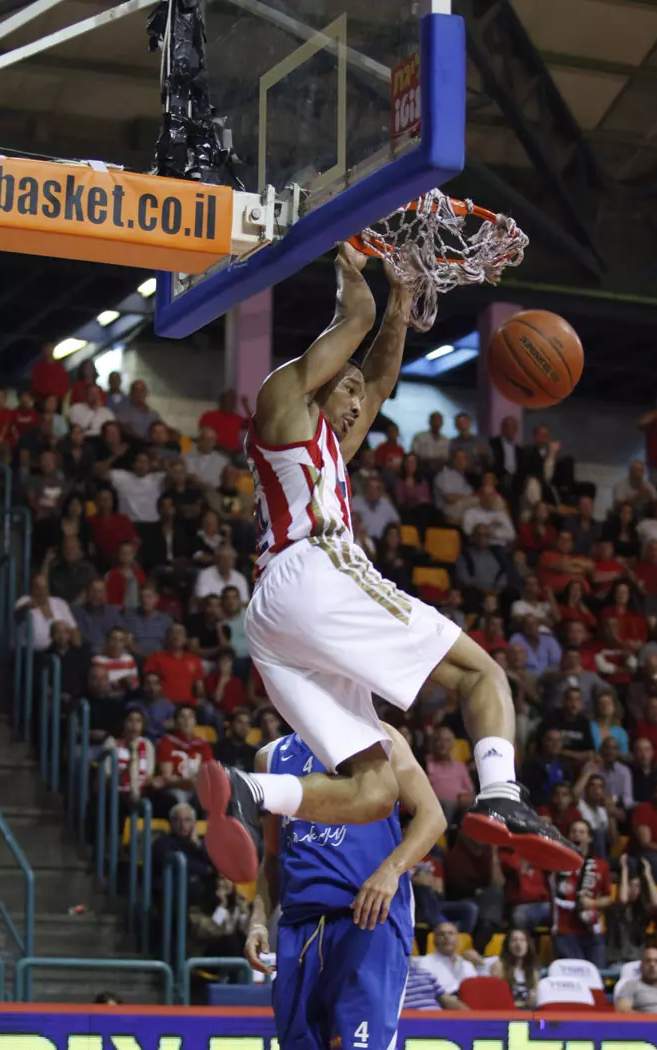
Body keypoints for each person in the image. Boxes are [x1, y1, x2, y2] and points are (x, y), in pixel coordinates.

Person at [198, 243, 579, 890]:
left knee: (375, 791)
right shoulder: (282, 403)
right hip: (310, 573)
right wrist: (354, 275)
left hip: (276, 622)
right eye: (344, 388)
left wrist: (401, 306)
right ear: (319, 382)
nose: (358, 404)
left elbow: (376, 380)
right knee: (481, 673)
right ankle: (500, 794)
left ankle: (246, 790)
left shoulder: (327, 447)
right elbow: (352, 327)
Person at [244, 722, 449, 1046]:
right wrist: (257, 921)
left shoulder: (379, 736)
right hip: (301, 926)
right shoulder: (270, 757)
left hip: (369, 918)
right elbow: (272, 856)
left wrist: (391, 871)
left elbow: (432, 816)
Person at [550, 819, 612, 969]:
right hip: (565, 930)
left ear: (589, 838)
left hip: (592, 930)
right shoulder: (557, 863)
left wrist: (593, 903)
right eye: (574, 832)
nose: (577, 835)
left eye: (582, 832)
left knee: (598, 977)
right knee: (574, 975)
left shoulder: (601, 866)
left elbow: (609, 898)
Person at [489, 927, 539, 1007]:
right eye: (514, 940)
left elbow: (536, 997)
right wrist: (523, 1004)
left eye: (523, 940)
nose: (518, 944)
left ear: (528, 945)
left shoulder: (533, 972)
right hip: (506, 1013)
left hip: (528, 1014)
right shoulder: (499, 966)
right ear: (507, 945)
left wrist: (534, 998)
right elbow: (495, 997)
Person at [198, 388, 251, 457]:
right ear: (222, 401)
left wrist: (246, 406)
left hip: (235, 454)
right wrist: (223, 448)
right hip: (216, 452)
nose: (232, 402)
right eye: (230, 399)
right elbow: (205, 437)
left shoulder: (237, 418)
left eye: (234, 399)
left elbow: (253, 425)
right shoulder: (209, 416)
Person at [216, 707, 257, 772]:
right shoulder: (217, 748)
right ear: (230, 724)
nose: (244, 727)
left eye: (247, 723)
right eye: (240, 722)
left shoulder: (253, 753)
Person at [30, 341, 69, 406]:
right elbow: (36, 384)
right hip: (41, 402)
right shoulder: (38, 367)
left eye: (51, 347)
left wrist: (56, 396)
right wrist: (47, 396)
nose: (49, 349)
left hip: (57, 401)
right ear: (43, 349)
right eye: (47, 347)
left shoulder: (60, 366)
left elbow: (65, 384)